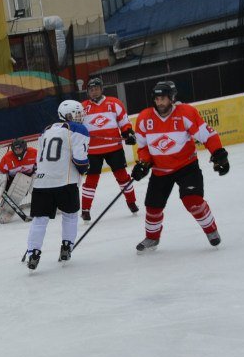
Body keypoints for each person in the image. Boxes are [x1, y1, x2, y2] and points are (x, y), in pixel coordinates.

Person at [131, 80, 228, 252]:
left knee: (193, 201)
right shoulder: (144, 118)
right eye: (157, 99)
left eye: (163, 98)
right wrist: (144, 164)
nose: (160, 102)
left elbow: (207, 135)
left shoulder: (186, 113)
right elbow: (143, 147)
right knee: (153, 206)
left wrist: (219, 154)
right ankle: (152, 238)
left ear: (172, 98)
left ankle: (211, 230)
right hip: (160, 171)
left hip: (186, 166)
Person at [23, 100, 90, 270]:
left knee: (39, 219)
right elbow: (80, 160)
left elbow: (40, 158)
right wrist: (85, 168)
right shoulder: (78, 129)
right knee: (70, 214)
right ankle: (67, 246)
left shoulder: (45, 130)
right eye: (77, 114)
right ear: (67, 115)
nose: (79, 117)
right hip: (65, 181)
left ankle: (33, 252)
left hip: (42, 181)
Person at [80, 76, 139, 219]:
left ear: (101, 89)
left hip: (114, 148)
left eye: (96, 89)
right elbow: (77, 126)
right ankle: (85, 210)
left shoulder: (114, 103)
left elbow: (124, 122)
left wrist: (127, 133)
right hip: (92, 150)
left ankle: (131, 202)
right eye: (91, 90)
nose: (93, 92)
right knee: (91, 180)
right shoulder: (82, 107)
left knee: (122, 176)